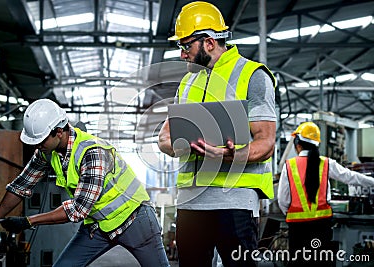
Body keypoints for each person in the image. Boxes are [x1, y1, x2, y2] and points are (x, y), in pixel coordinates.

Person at [158, 1, 277, 266]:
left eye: (186, 45)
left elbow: (266, 143)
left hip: (235, 202)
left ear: (209, 42)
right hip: (191, 202)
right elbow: (165, 136)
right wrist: (174, 145)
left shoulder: (251, 75)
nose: (182, 54)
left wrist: (229, 155)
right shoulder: (188, 82)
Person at [0, 99, 169, 267]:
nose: (38, 146)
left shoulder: (92, 152)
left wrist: (28, 221)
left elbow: (77, 210)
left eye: (41, 141)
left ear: (58, 131)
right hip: (98, 226)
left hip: (135, 221)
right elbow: (21, 185)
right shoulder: (46, 151)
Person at [277, 121, 374, 267]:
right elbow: (351, 177)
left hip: (298, 228)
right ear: (316, 144)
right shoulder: (327, 163)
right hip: (321, 226)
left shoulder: (289, 165)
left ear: (297, 142)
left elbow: (283, 200)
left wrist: (291, 212)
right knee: (322, 262)